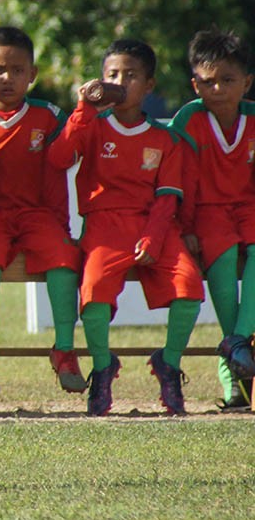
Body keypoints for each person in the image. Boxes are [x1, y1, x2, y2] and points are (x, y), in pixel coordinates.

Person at [47, 39, 204, 416]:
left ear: (149, 85)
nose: (119, 83)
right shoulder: (91, 124)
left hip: (155, 226)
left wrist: (153, 236)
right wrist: (83, 108)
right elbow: (58, 158)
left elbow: (168, 196)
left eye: (130, 76)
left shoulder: (165, 138)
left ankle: (168, 362)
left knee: (189, 286)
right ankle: (103, 367)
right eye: (112, 75)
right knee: (94, 294)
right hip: (104, 227)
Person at [0, 27, 84, 399]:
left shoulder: (49, 116)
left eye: (17, 70)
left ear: (33, 74)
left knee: (64, 258)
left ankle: (64, 349)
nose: (7, 78)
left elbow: (66, 160)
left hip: (36, 215)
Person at [169, 29, 255, 410]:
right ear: (194, 84)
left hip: (248, 208)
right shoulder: (188, 119)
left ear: (246, 82)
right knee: (222, 257)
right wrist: (185, 228)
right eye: (207, 81)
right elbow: (180, 180)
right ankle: (233, 367)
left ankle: (236, 341)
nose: (217, 89)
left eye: (228, 80)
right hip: (206, 211)